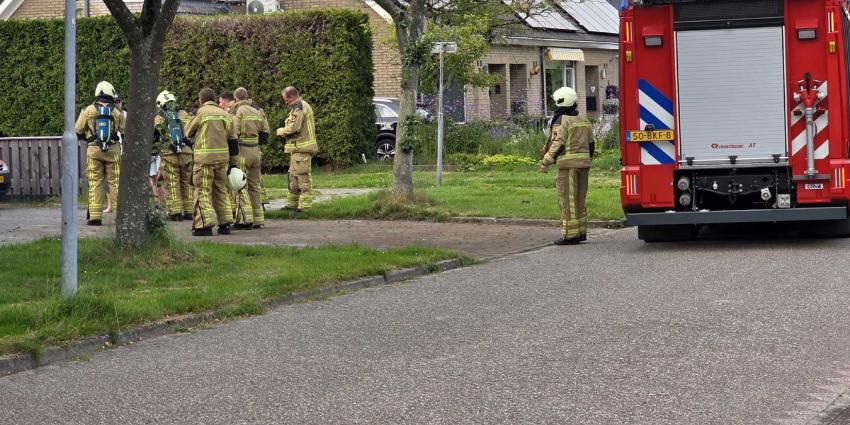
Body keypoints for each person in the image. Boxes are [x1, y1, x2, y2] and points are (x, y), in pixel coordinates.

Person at [540, 86, 592, 245]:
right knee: (579, 199)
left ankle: (570, 235)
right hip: (584, 164)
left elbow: (558, 144)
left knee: (567, 200)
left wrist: (546, 161)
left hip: (567, 166)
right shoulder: (583, 119)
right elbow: (591, 144)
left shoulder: (562, 120)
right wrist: (588, 159)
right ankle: (581, 232)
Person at [185, 88, 240, 236]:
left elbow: (188, 132)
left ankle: (204, 226)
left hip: (204, 160)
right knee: (221, 191)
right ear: (215, 99)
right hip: (222, 160)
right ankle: (225, 224)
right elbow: (233, 141)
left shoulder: (202, 113)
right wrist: (234, 163)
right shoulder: (226, 115)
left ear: (201, 100)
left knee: (203, 191)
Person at [75, 81, 125, 226]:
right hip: (113, 151)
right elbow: (124, 131)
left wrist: (88, 137)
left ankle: (95, 217)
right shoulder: (117, 112)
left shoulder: (89, 110)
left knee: (95, 182)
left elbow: (77, 130)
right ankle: (118, 216)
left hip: (93, 151)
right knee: (115, 183)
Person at [231, 87, 270, 229]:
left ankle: (244, 220)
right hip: (255, 151)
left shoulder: (237, 111)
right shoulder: (256, 110)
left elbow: (233, 133)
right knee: (254, 186)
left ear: (236, 98)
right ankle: (258, 219)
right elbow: (265, 132)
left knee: (240, 185)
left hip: (242, 151)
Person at [276, 86, 318, 215]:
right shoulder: (298, 106)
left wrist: (280, 131)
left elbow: (293, 128)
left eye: (286, 99)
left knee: (302, 179)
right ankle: (291, 204)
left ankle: (304, 207)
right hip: (297, 149)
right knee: (293, 178)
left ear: (292, 97)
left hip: (302, 148)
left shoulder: (300, 107)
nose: (285, 102)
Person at [154, 90, 195, 221]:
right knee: (187, 181)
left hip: (169, 154)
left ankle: (175, 212)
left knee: (172, 182)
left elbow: (156, 136)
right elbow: (191, 131)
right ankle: (189, 211)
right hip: (186, 153)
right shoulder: (183, 114)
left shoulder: (159, 117)